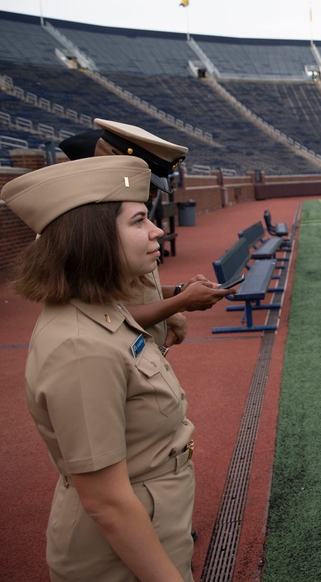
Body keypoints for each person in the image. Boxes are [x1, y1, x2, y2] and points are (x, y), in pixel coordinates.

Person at [1, 156, 197, 581]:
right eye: (139, 220)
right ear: (92, 238)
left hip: (153, 518)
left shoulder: (100, 312)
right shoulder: (78, 346)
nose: (156, 230)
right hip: (118, 554)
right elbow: (107, 503)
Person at [59, 119, 233, 353]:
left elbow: (130, 292)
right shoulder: (83, 230)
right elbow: (103, 318)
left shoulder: (115, 219)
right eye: (145, 182)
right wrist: (178, 304)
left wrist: (179, 292)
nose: (150, 194)